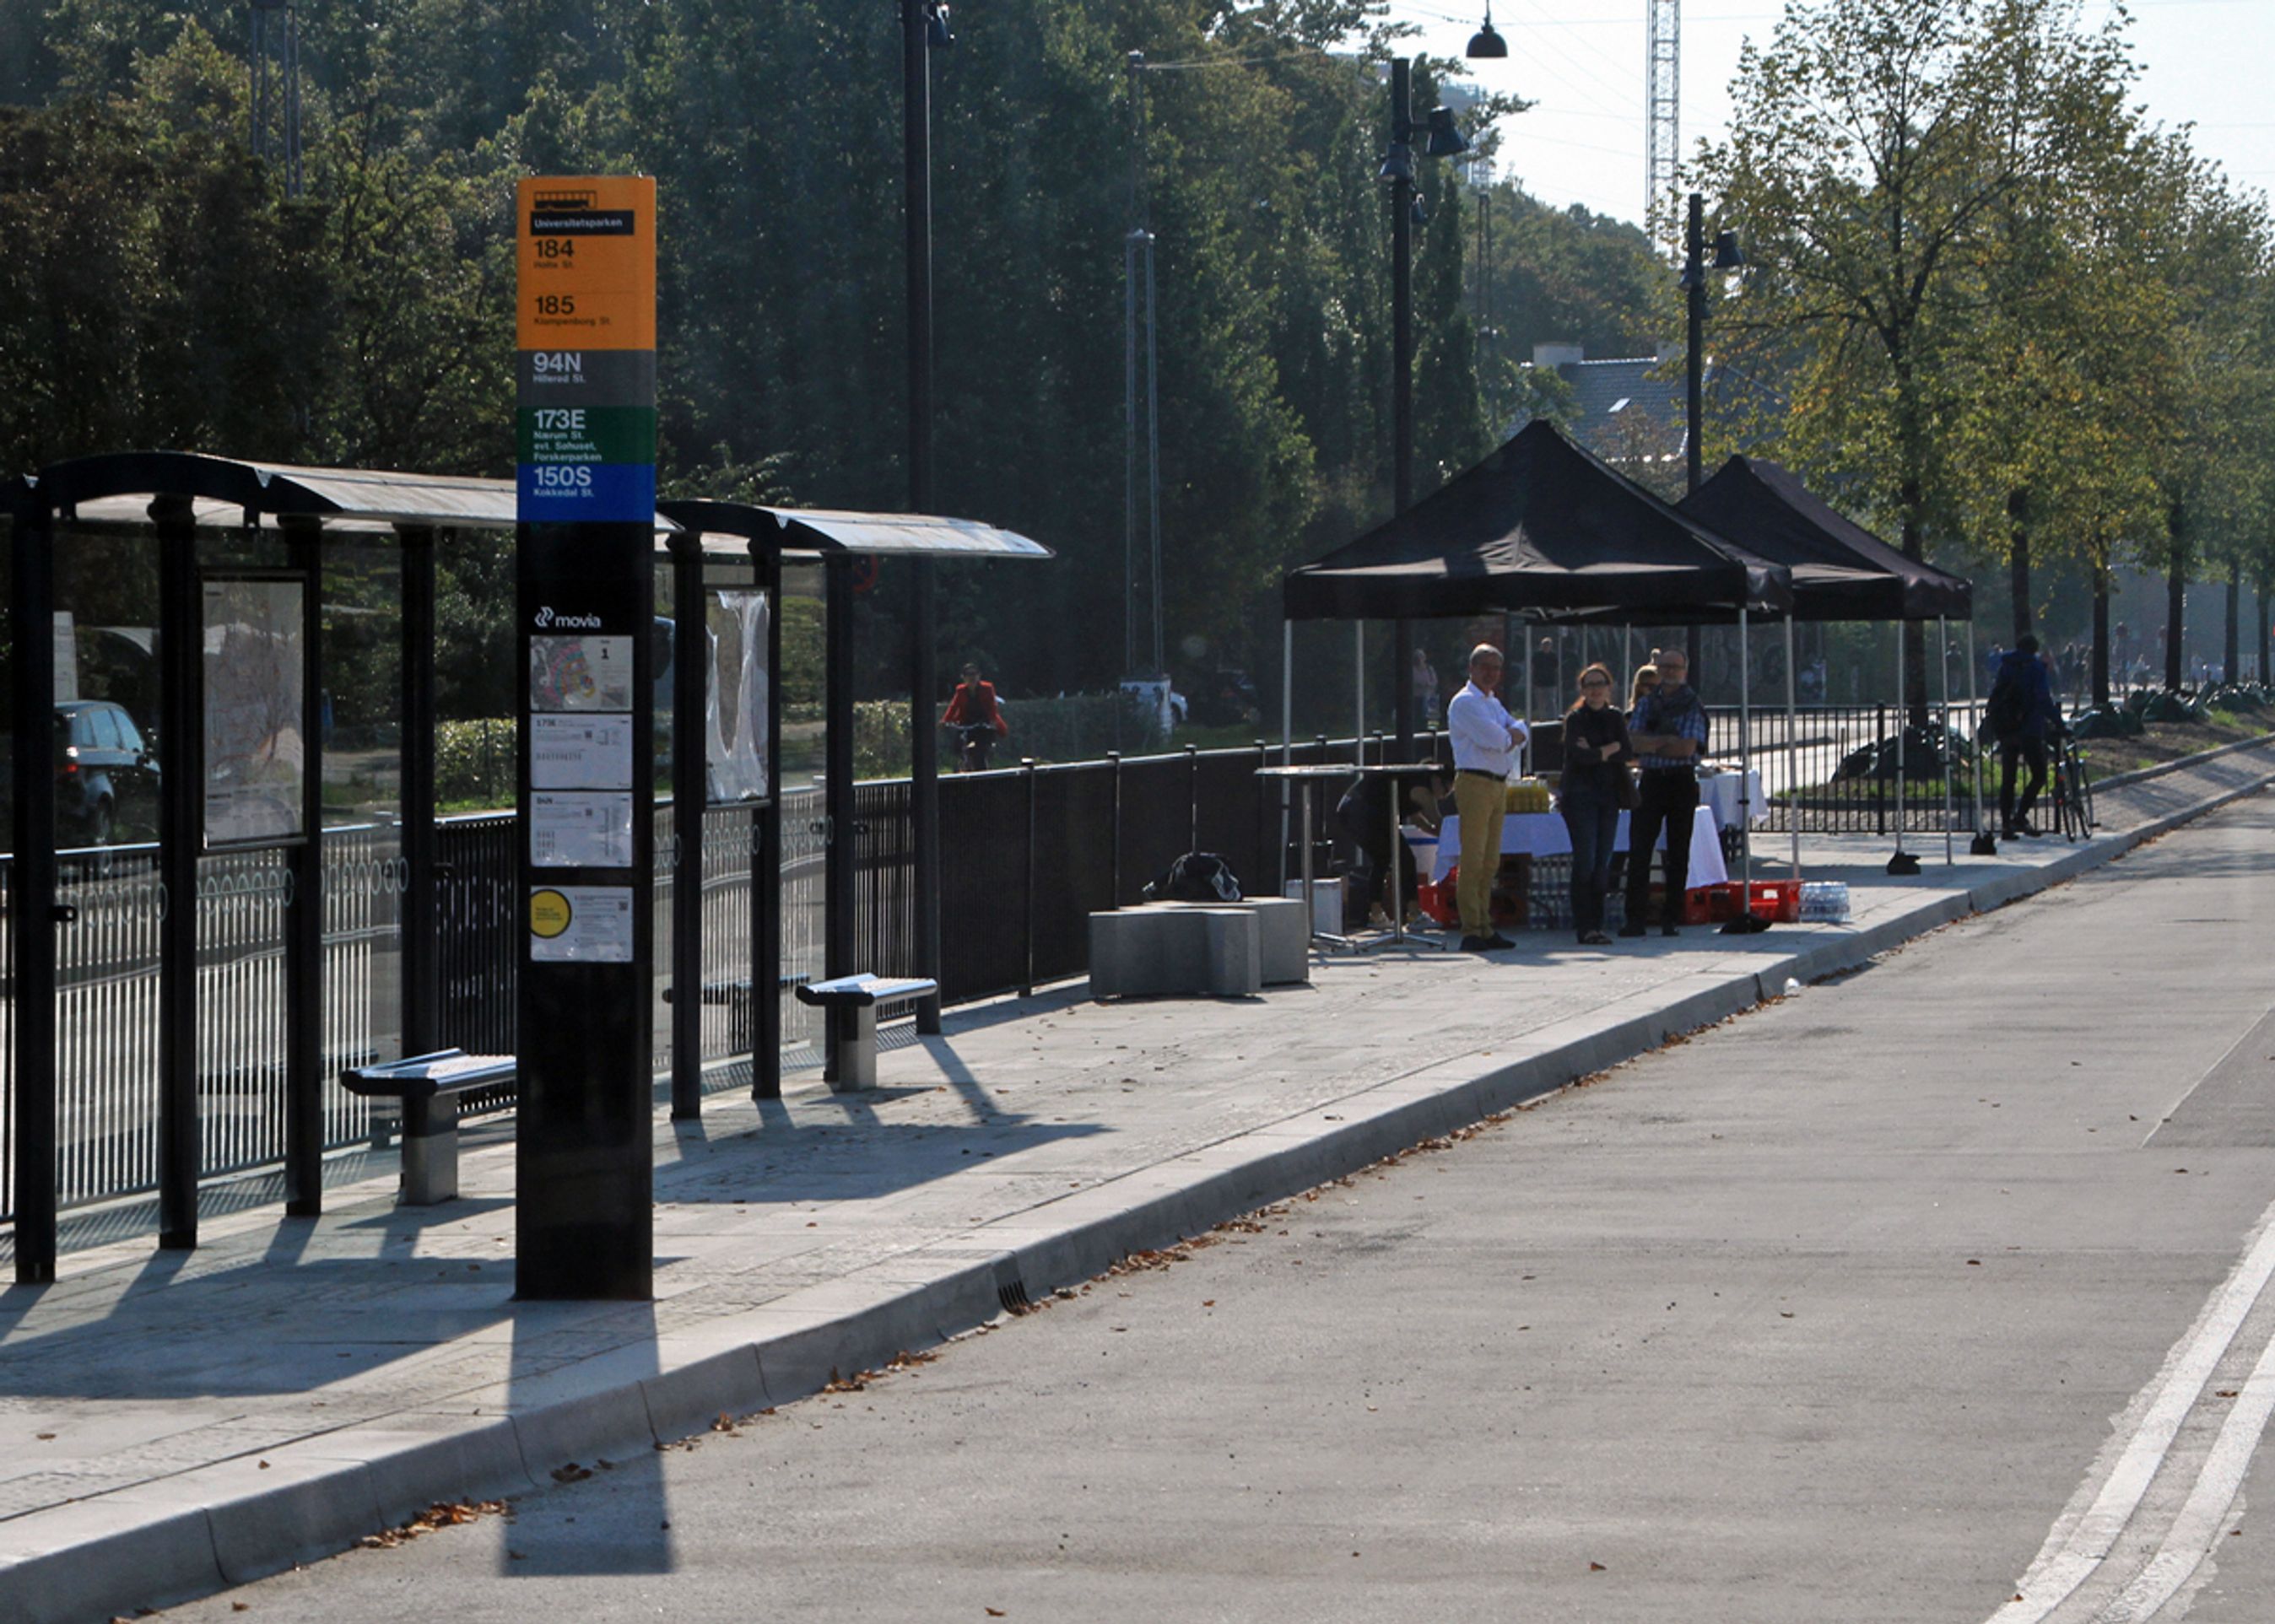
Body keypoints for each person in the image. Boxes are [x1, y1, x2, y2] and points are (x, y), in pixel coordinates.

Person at [1446, 644, 1527, 952]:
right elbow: (1499, 739)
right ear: (1472, 668)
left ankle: (1485, 924)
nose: (1491, 673)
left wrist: (1512, 736)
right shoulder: (1465, 703)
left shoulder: (1492, 702)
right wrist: (1512, 736)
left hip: (1497, 783)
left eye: (1495, 668)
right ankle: (1471, 928)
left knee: (1491, 860)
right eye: (1485, 667)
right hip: (1475, 782)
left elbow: (1519, 728)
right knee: (1474, 858)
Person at [1622, 646, 1707, 937]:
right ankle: (1634, 918)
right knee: (1640, 850)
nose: (1670, 672)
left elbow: (1687, 748)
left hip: (1681, 781)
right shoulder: (1646, 704)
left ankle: (1672, 917)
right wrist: (1665, 741)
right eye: (1665, 666)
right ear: (1658, 669)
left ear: (1685, 671)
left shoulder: (1692, 704)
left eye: (1676, 667)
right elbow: (1633, 742)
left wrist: (1653, 742)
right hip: (1652, 781)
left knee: (1678, 851)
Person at [1559, 663, 1632, 947]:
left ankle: (1598, 924)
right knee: (1585, 861)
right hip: (1580, 797)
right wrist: (1607, 750)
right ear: (1582, 690)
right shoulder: (1576, 719)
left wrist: (1598, 751)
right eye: (1589, 684)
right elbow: (1578, 756)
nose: (1595, 689)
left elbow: (1626, 750)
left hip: (1609, 796)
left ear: (1609, 687)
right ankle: (1584, 925)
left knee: (1603, 863)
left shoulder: (1615, 717)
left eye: (1600, 683)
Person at [1991, 633, 2059, 837]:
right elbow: (2043, 699)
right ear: (2034, 650)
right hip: (2030, 728)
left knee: (2008, 778)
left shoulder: (2006, 665)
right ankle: (2020, 816)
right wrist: (2058, 722)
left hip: (2006, 728)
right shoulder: (2036, 668)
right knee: (2039, 774)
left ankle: (2005, 826)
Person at [942, 661, 1008, 770]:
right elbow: (954, 706)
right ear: (963, 677)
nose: (972, 677)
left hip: (983, 722)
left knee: (980, 751)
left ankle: (982, 773)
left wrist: (992, 720)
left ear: (979, 675)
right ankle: (961, 767)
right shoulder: (960, 690)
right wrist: (945, 720)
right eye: (968, 675)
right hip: (967, 723)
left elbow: (992, 706)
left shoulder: (987, 688)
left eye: (975, 674)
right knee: (958, 746)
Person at [1411, 647, 1442, 727]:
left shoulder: (1429, 669)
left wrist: (1428, 685)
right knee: (1418, 719)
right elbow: (1415, 681)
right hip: (1417, 698)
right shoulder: (1413, 670)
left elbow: (1434, 681)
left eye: (1421, 656)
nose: (1420, 659)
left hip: (1430, 698)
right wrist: (1424, 684)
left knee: (1431, 719)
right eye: (1418, 657)